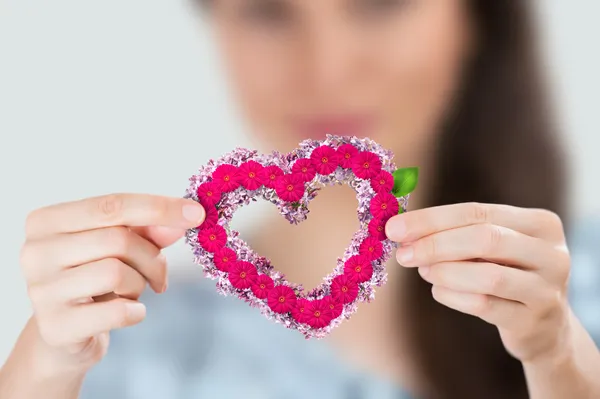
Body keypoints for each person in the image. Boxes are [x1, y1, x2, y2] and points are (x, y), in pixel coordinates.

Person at [1, 1, 599, 398]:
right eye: (269, 12)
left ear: (476, 19)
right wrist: (40, 373)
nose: (328, 68)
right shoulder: (125, 346)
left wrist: (558, 360)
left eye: (378, 4)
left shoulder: (584, 293)